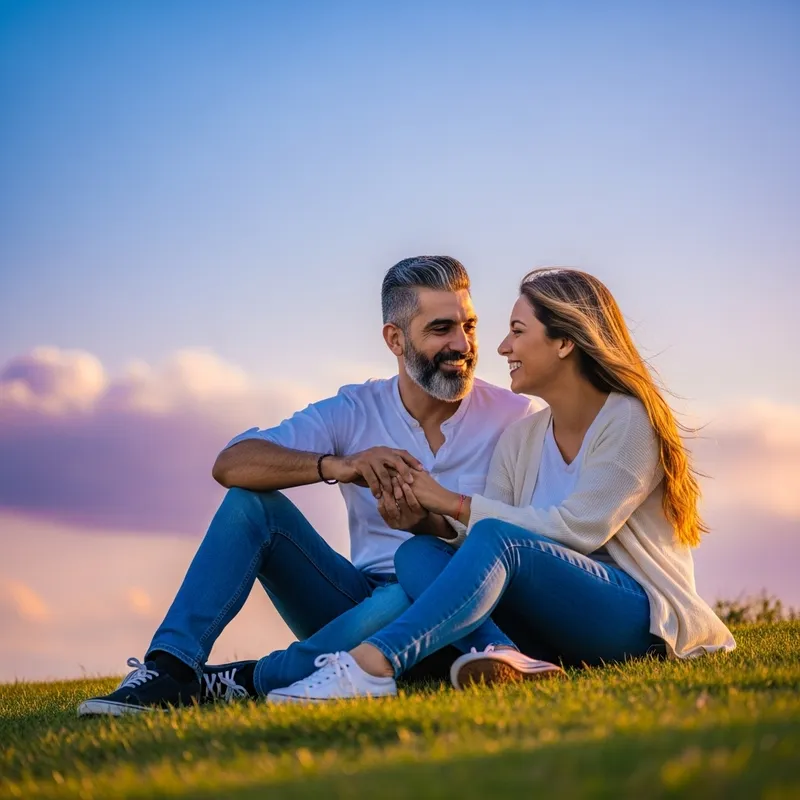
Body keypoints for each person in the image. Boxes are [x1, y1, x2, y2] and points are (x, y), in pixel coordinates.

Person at [78, 256, 537, 716]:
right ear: (395, 339)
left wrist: (431, 525)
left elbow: (528, 540)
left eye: (469, 325)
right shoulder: (355, 409)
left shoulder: (514, 417)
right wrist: (341, 465)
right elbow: (232, 463)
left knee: (407, 592)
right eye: (441, 329)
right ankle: (170, 668)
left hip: (465, 611)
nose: (462, 344)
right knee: (250, 506)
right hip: (355, 604)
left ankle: (250, 679)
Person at [264, 267, 736, 703]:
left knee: (496, 537)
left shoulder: (629, 419)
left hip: (636, 620)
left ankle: (372, 664)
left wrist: (449, 501)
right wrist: (427, 520)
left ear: (564, 342)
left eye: (517, 331)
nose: (502, 348)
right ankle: (501, 652)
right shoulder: (522, 437)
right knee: (416, 552)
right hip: (552, 623)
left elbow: (578, 529)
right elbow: (484, 545)